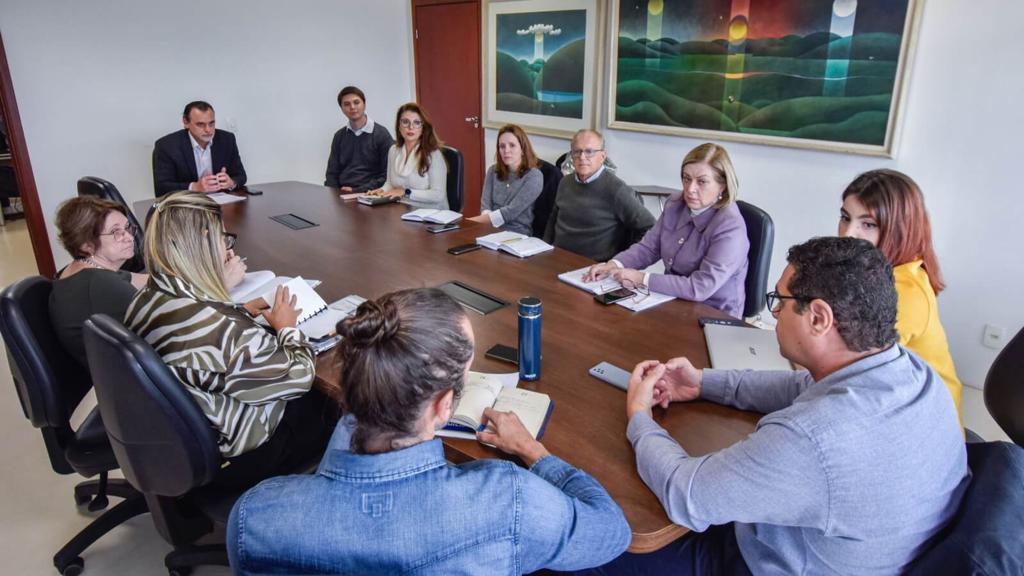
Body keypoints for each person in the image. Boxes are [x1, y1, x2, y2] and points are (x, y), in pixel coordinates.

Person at [588, 237, 968, 575]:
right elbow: (802, 385)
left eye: (779, 304)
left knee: (594, 546)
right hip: (870, 550)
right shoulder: (915, 372)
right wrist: (703, 382)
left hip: (756, 561)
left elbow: (685, 494)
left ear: (819, 317)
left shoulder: (813, 440)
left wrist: (639, 417)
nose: (774, 315)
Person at [227, 288, 632, 574]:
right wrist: (536, 454)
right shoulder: (510, 501)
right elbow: (611, 533)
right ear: (442, 406)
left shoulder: (254, 518)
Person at [124, 192, 331, 489]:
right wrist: (287, 329)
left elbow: (199, 328)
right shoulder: (220, 330)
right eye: (225, 240)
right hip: (243, 454)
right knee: (333, 402)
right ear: (204, 245)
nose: (229, 251)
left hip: (181, 438)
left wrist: (238, 310)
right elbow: (298, 377)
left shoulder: (146, 297)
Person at [838, 169, 964, 426]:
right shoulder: (871, 270)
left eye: (868, 224)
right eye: (845, 217)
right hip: (891, 407)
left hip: (925, 432)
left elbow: (839, 369)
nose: (848, 233)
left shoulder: (905, 291)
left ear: (899, 229)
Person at [584, 143, 749, 318]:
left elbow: (699, 288)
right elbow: (649, 248)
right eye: (686, 178)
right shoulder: (675, 204)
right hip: (672, 301)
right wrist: (614, 264)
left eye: (701, 181)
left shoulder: (730, 227)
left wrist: (642, 279)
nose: (690, 189)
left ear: (722, 185)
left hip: (714, 315)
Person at [49, 196, 147, 367]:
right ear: (86, 245)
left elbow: (144, 280)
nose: (129, 238)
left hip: (111, 372)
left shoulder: (81, 269)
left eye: (127, 228)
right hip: (127, 376)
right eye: (116, 233)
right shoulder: (101, 284)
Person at [543, 130, 654, 262]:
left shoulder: (617, 190)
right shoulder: (565, 182)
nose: (582, 157)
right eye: (577, 151)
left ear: (602, 156)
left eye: (589, 151)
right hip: (556, 258)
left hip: (591, 268)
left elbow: (650, 227)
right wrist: (545, 248)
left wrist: (621, 262)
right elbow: (553, 219)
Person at [152, 101, 247, 197]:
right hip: (186, 205)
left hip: (221, 202)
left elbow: (241, 176)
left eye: (211, 123)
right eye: (201, 124)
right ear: (186, 122)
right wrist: (194, 187)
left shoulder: (227, 139)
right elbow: (161, 188)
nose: (208, 130)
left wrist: (231, 182)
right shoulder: (167, 146)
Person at [366, 102, 448, 210]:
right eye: (405, 122)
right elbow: (390, 183)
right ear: (399, 126)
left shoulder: (433, 154)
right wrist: (382, 191)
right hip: (402, 209)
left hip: (431, 214)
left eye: (417, 122)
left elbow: (438, 195)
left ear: (423, 128)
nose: (410, 127)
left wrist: (405, 192)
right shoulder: (393, 150)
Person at [467, 124, 543, 236]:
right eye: (502, 146)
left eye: (512, 145)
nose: (506, 150)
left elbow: (510, 212)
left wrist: (471, 222)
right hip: (490, 231)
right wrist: (486, 227)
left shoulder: (534, 176)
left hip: (517, 234)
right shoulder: (493, 171)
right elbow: (485, 205)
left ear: (522, 149)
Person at [324, 85, 394, 193]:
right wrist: (333, 193)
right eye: (346, 104)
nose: (352, 107)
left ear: (364, 104)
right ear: (342, 109)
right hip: (342, 194)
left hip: (371, 194)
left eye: (356, 102)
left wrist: (356, 190)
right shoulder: (339, 136)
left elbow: (387, 175)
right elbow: (332, 173)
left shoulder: (381, 134)